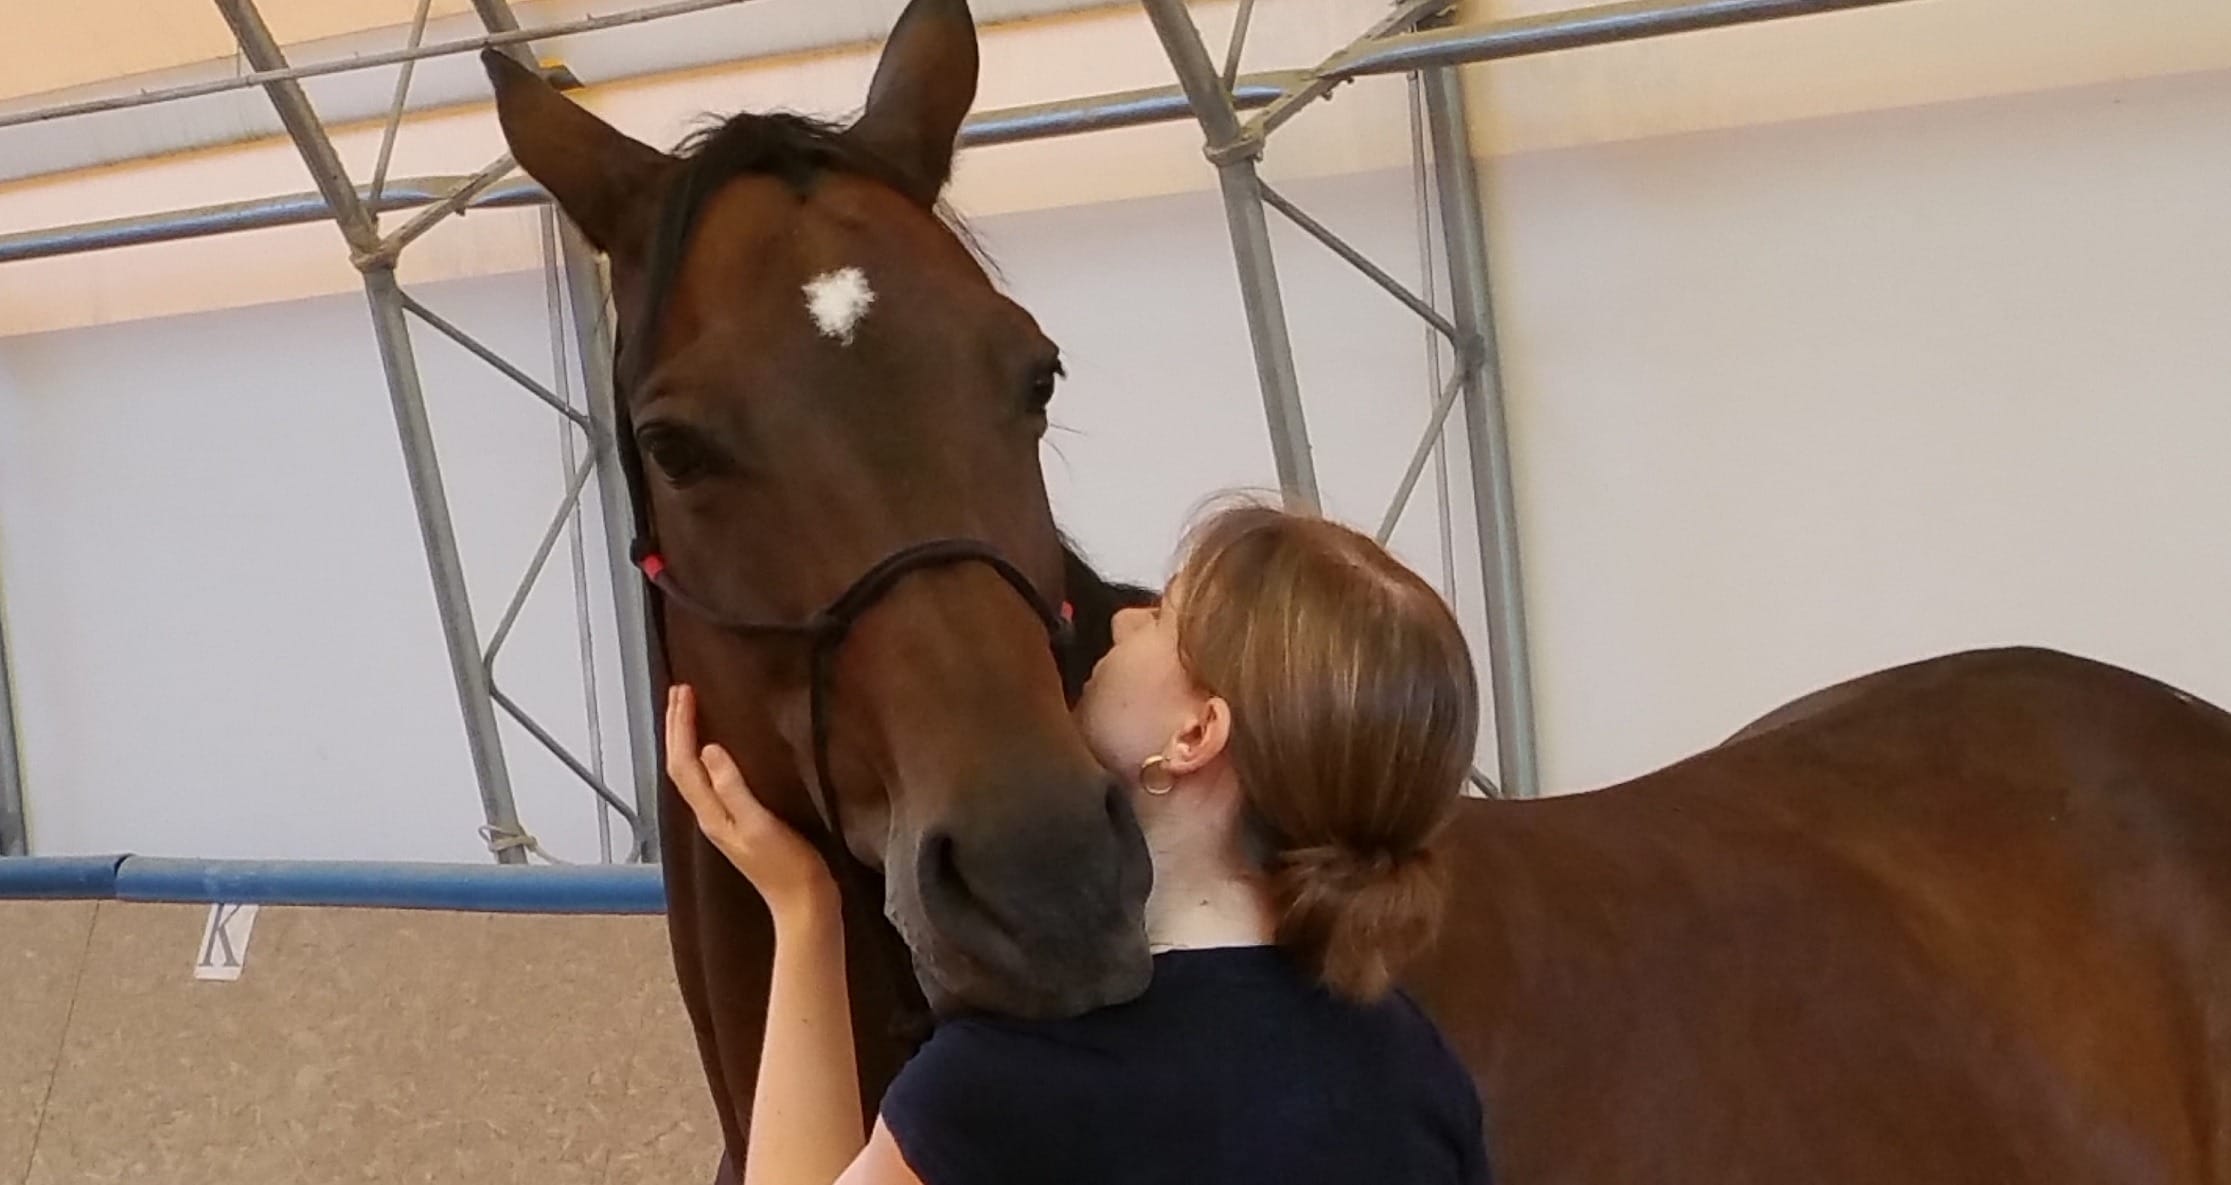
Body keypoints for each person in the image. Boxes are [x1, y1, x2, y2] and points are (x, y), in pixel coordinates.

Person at [665, 501, 1489, 1185]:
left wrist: (803, 910)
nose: (1123, 618)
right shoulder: (1412, 1068)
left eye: (1163, 617)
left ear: (1195, 732)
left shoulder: (1012, 1079)